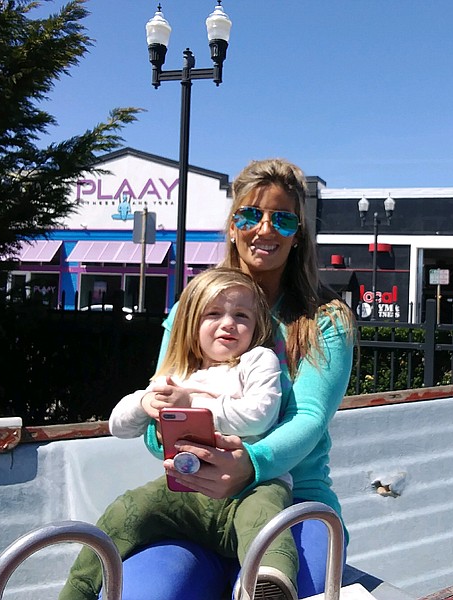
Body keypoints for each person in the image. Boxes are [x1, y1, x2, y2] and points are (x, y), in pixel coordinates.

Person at [94, 158, 355, 600]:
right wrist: (187, 452)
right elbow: (161, 414)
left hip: (294, 504)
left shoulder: (325, 321)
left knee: (281, 592)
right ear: (233, 226)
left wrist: (249, 466)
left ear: (299, 235)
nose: (265, 229)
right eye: (250, 214)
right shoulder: (188, 312)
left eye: (283, 218)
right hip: (194, 502)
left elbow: (309, 420)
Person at [59, 267, 300, 600]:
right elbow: (118, 426)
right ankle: (79, 590)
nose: (228, 323)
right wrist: (145, 403)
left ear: (257, 326)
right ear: (190, 324)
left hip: (251, 487)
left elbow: (259, 416)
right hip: (185, 489)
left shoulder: (257, 360)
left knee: (265, 519)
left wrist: (192, 404)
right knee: (128, 509)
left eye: (241, 316)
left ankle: (268, 583)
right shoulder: (177, 373)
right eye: (213, 314)